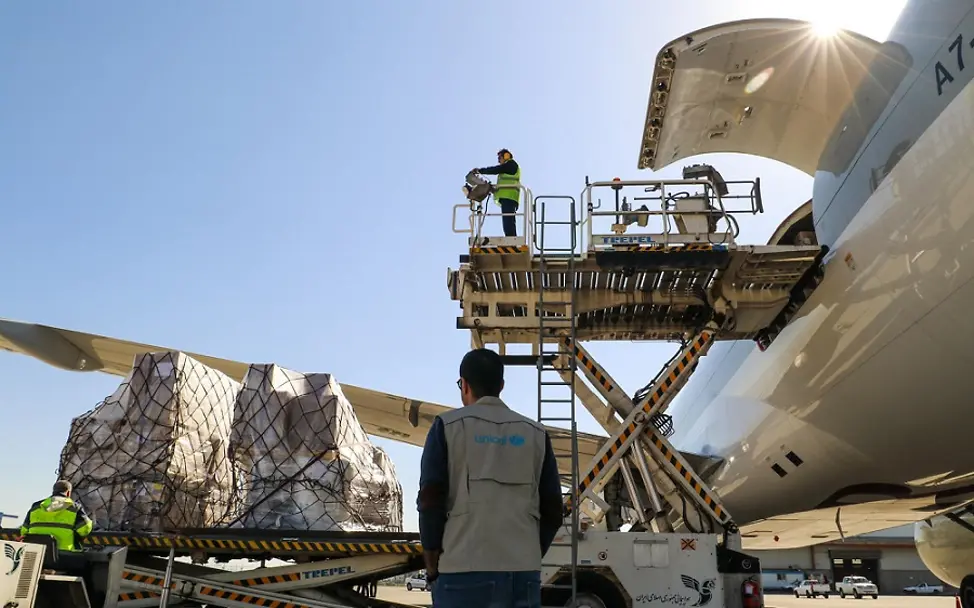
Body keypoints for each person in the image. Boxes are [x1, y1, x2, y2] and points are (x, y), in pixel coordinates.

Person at [417, 348, 563, 608]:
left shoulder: (447, 426)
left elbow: (430, 501)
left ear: (465, 385)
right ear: (502, 386)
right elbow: (553, 509)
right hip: (522, 574)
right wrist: (527, 554)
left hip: (462, 572)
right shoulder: (536, 433)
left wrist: (431, 566)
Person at [19, 480, 93, 552]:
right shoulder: (74, 507)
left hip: (36, 552)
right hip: (64, 554)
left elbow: (24, 531)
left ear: (53, 491)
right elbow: (84, 529)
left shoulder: (36, 506)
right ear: (68, 493)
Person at [474, 148, 521, 237]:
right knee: (507, 222)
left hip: (509, 197)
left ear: (506, 155)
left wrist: (480, 171)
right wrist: (493, 189)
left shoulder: (511, 164)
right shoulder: (508, 168)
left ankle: (511, 239)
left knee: (508, 222)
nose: (499, 161)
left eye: (500, 158)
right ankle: (511, 238)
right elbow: (504, 182)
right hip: (507, 197)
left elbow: (496, 169)